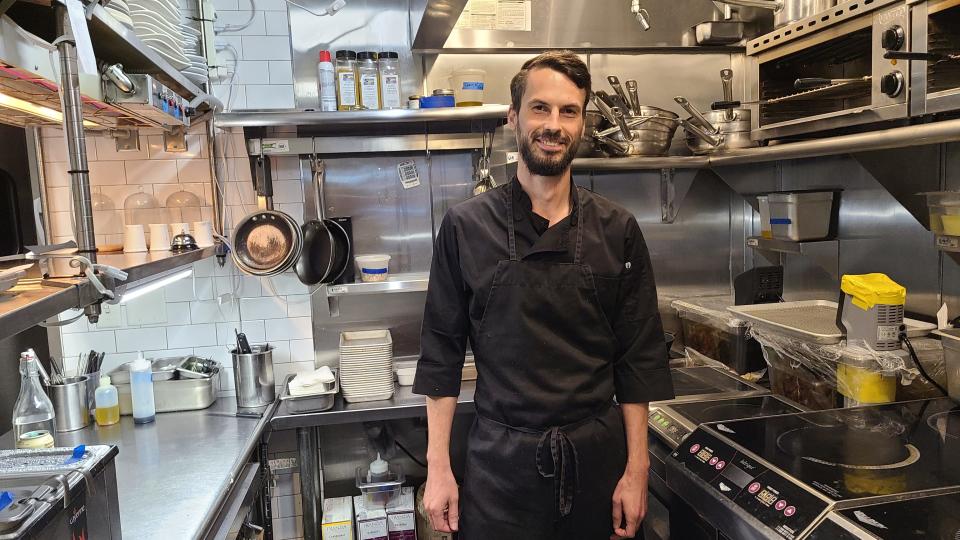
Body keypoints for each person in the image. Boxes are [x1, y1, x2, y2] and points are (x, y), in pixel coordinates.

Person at [413, 50, 675, 540]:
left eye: (568, 111)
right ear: (514, 117)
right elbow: (440, 356)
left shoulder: (617, 229)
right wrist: (439, 468)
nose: (553, 125)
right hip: (499, 470)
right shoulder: (465, 227)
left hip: (598, 466)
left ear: (581, 123)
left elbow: (639, 360)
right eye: (540, 108)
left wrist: (637, 471)